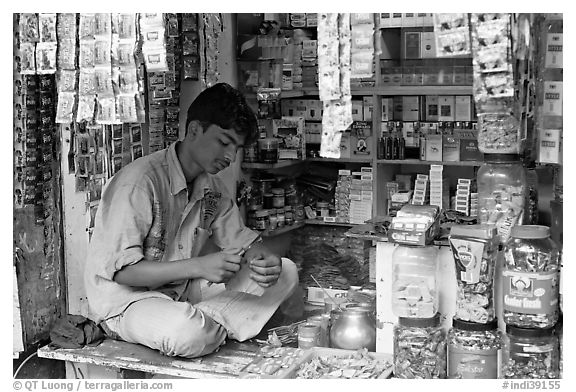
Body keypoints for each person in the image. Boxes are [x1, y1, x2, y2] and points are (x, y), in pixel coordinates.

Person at [84, 83, 298, 358]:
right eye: (224, 142)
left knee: (286, 272)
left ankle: (203, 327)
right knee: (186, 332)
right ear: (195, 129)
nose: (231, 157)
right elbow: (123, 273)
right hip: (127, 303)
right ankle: (202, 328)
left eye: (237, 148)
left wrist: (264, 261)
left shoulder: (213, 189)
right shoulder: (139, 183)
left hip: (181, 295)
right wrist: (199, 266)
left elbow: (247, 244)